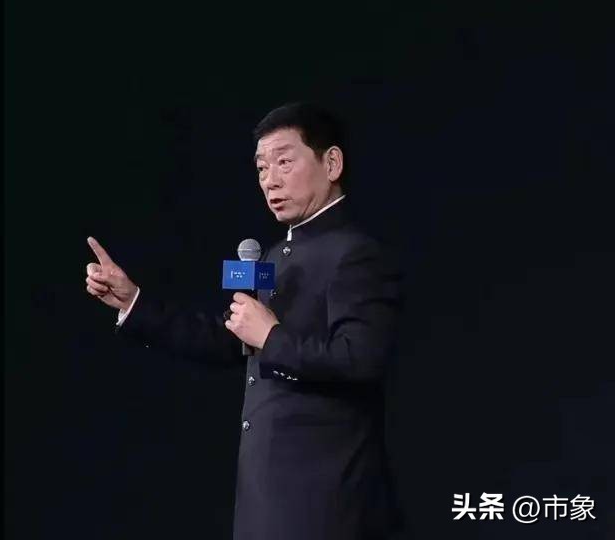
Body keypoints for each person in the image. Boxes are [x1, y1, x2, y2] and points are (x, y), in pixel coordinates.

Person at [84, 102, 403, 540]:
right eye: (261, 168)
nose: (270, 180)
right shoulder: (274, 255)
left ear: (331, 163)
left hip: (325, 500)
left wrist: (271, 336)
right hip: (265, 496)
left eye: (284, 162)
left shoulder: (356, 254)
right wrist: (133, 302)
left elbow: (360, 359)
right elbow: (230, 339)